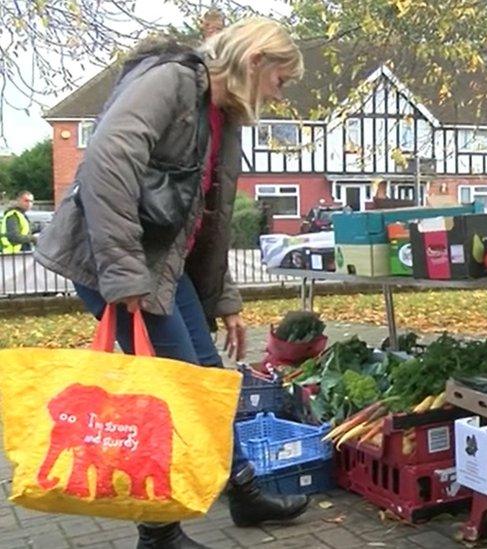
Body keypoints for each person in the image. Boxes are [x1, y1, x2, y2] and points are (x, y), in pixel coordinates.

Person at [35, 17, 308, 549]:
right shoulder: (172, 81)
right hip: (110, 257)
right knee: (172, 392)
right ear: (254, 62)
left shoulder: (222, 115)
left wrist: (225, 299)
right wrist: (122, 273)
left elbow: (207, 217)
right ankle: (158, 533)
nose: (280, 92)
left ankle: (243, 491)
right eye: (281, 78)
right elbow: (107, 164)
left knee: (204, 377)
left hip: (158, 262)